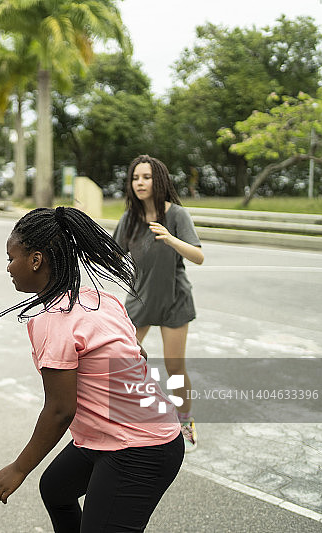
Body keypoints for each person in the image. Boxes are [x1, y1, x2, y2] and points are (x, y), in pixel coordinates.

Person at [0, 206, 184, 533]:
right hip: (117, 435)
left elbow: (61, 410)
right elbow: (140, 355)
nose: (8, 267)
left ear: (36, 260)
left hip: (140, 447)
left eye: (11, 258)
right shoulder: (101, 299)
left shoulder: (52, 321)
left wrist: (19, 468)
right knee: (56, 490)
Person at [113, 154, 204, 452]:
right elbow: (110, 256)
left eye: (146, 177)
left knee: (174, 366)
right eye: (136, 178)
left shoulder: (176, 215)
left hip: (174, 299)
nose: (140, 183)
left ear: (159, 180)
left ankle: (185, 422)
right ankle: (135, 418)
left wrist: (170, 238)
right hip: (140, 299)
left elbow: (198, 256)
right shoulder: (129, 219)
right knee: (123, 362)